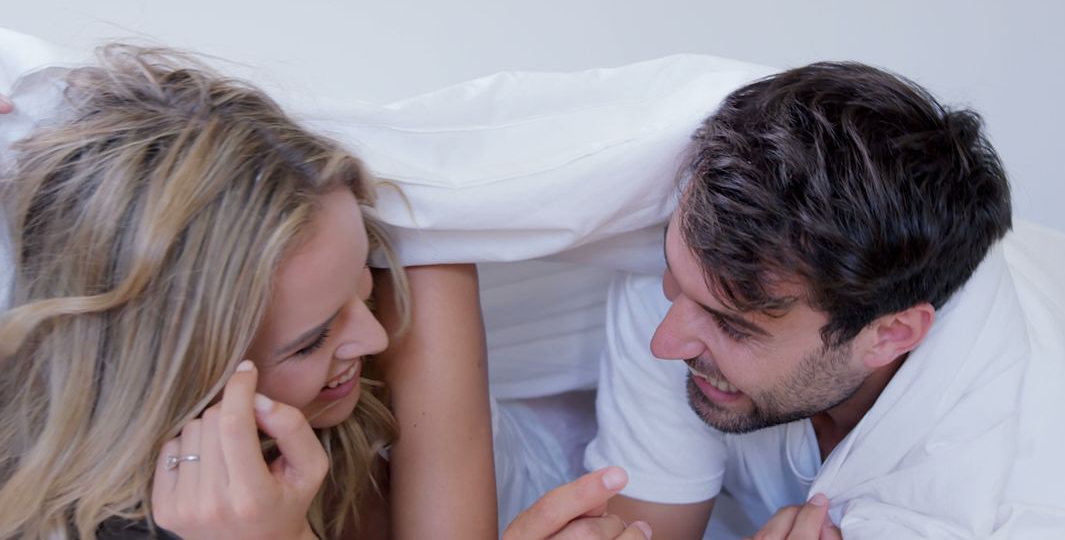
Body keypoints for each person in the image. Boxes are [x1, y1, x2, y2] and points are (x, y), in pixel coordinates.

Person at [0, 45, 651, 540]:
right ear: (172, 374)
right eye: (311, 341)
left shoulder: (412, 276)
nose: (373, 337)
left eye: (364, 290)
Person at [580, 62, 1065, 538]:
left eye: (733, 327)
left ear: (890, 335)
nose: (665, 343)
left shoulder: (1034, 499)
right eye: (675, 278)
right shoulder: (695, 278)